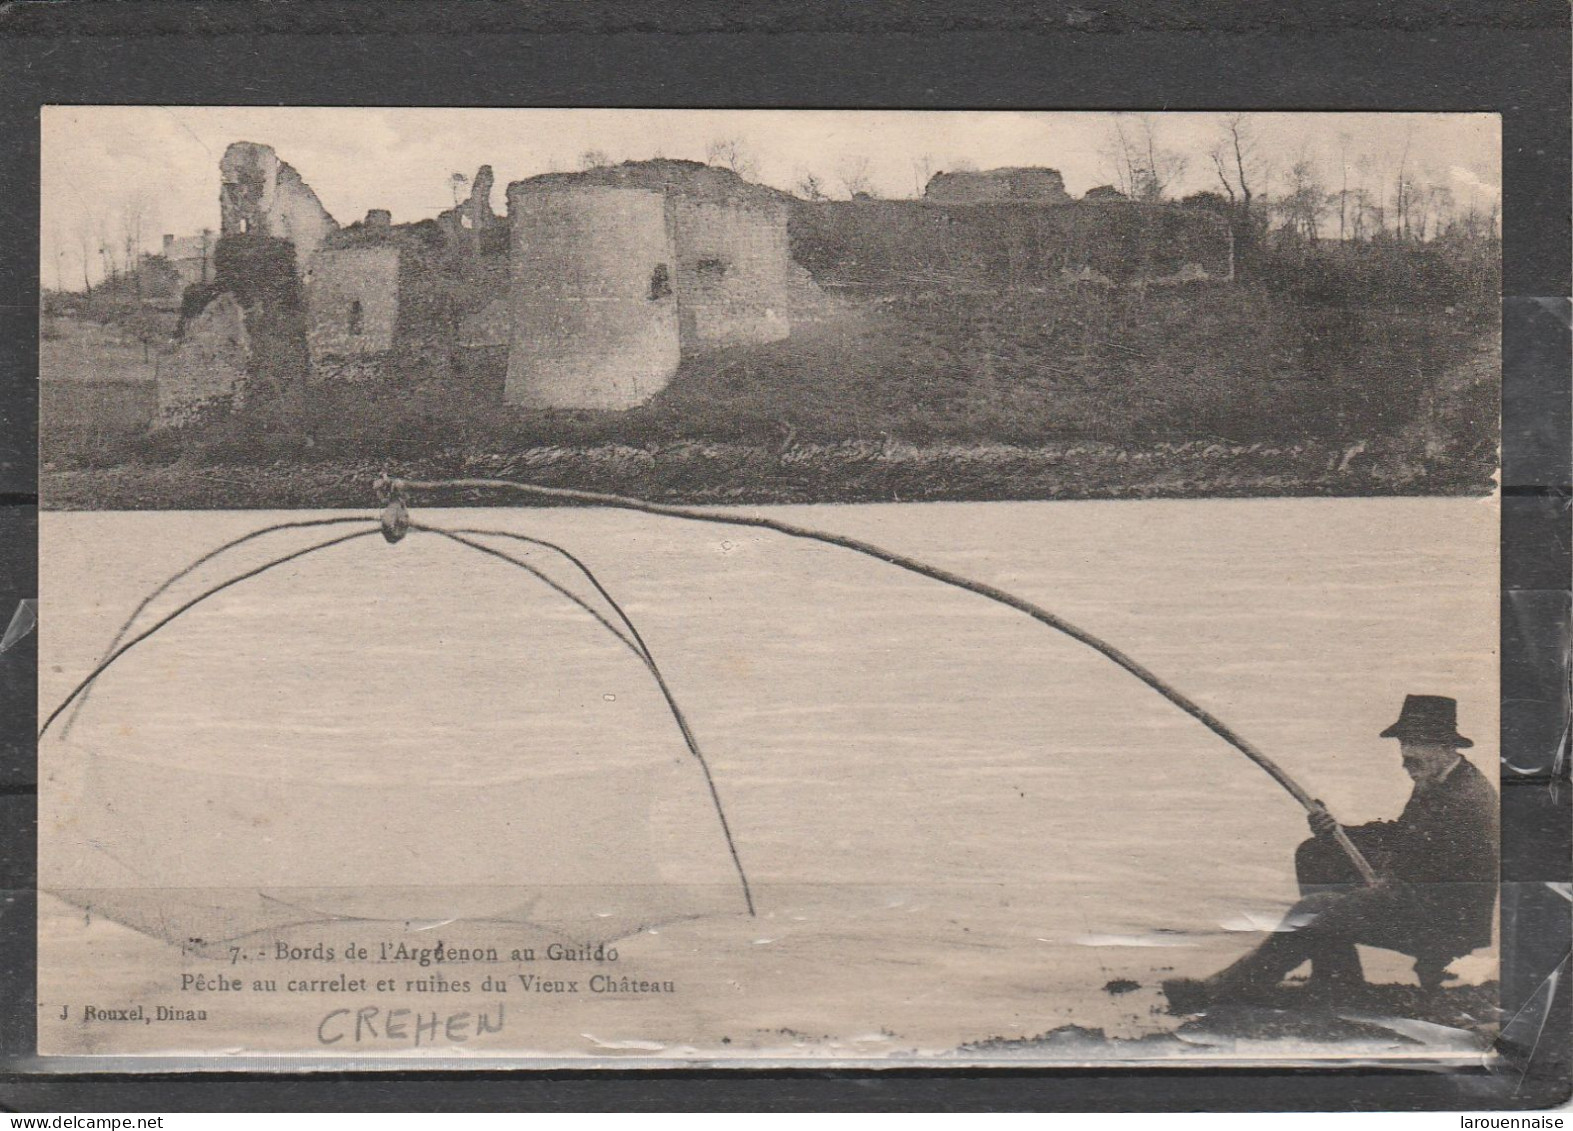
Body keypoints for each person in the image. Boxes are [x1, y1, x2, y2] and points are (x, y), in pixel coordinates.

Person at [1163, 694, 1498, 1010]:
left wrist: (1377, 891)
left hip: (1444, 921)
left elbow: (1441, 877)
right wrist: (1337, 832)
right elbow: (1403, 835)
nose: (1405, 756)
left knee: (1315, 909)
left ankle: (1223, 991)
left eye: (1415, 744)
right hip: (1416, 897)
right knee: (1317, 853)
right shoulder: (1440, 778)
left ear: (1443, 745)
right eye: (1403, 743)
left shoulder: (1466, 799)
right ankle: (1336, 979)